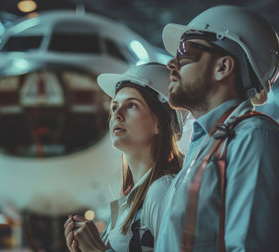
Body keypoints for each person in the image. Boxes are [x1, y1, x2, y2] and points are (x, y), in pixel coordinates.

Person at [156, 5, 279, 251]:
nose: (172, 63)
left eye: (185, 52)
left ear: (223, 67)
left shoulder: (253, 137)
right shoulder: (206, 145)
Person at [63, 62, 189, 251]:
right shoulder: (130, 200)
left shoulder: (163, 190)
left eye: (131, 105)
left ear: (160, 124)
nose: (117, 115)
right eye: (114, 107)